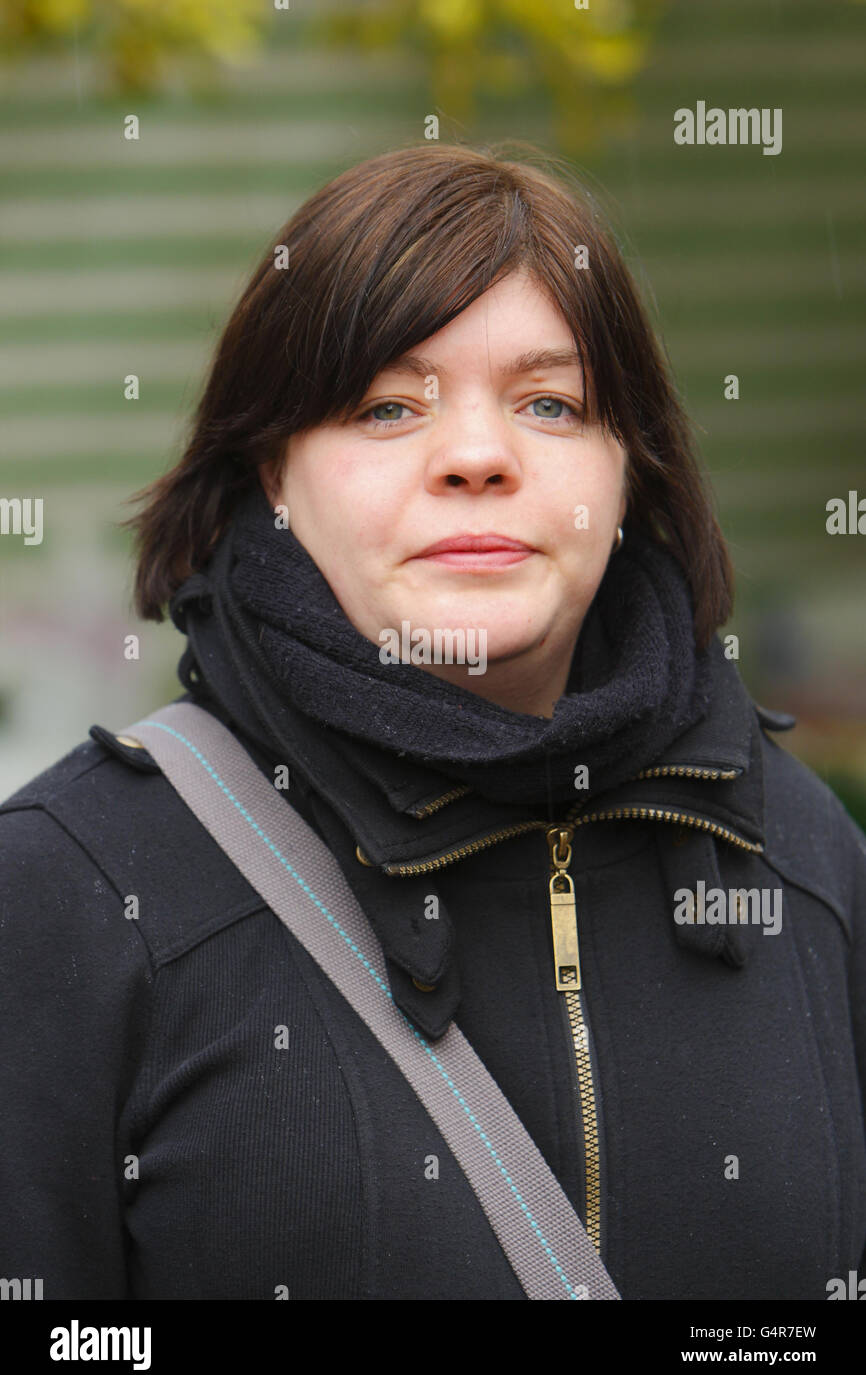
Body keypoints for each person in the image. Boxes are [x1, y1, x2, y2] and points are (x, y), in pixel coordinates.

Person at [1, 143, 864, 1302]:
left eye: (549, 403)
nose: (473, 456)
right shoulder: (75, 887)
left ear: (627, 467)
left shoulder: (796, 855)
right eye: (387, 406)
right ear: (272, 468)